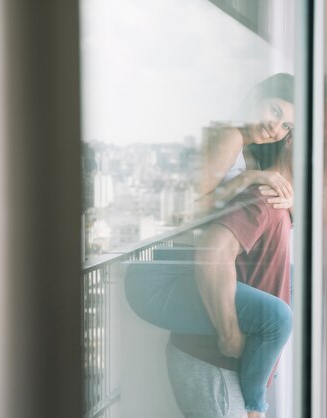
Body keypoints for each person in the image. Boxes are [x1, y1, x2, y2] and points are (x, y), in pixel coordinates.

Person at [126, 120, 295, 417]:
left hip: (215, 351)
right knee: (277, 317)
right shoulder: (255, 186)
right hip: (205, 348)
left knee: (281, 305)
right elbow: (202, 235)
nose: (273, 126)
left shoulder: (262, 182)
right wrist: (229, 333)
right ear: (294, 142)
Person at [193, 73, 296, 218]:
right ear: (257, 95)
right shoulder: (231, 136)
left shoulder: (251, 150)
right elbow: (190, 208)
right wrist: (246, 178)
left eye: (286, 126)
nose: (275, 128)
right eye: (275, 111)